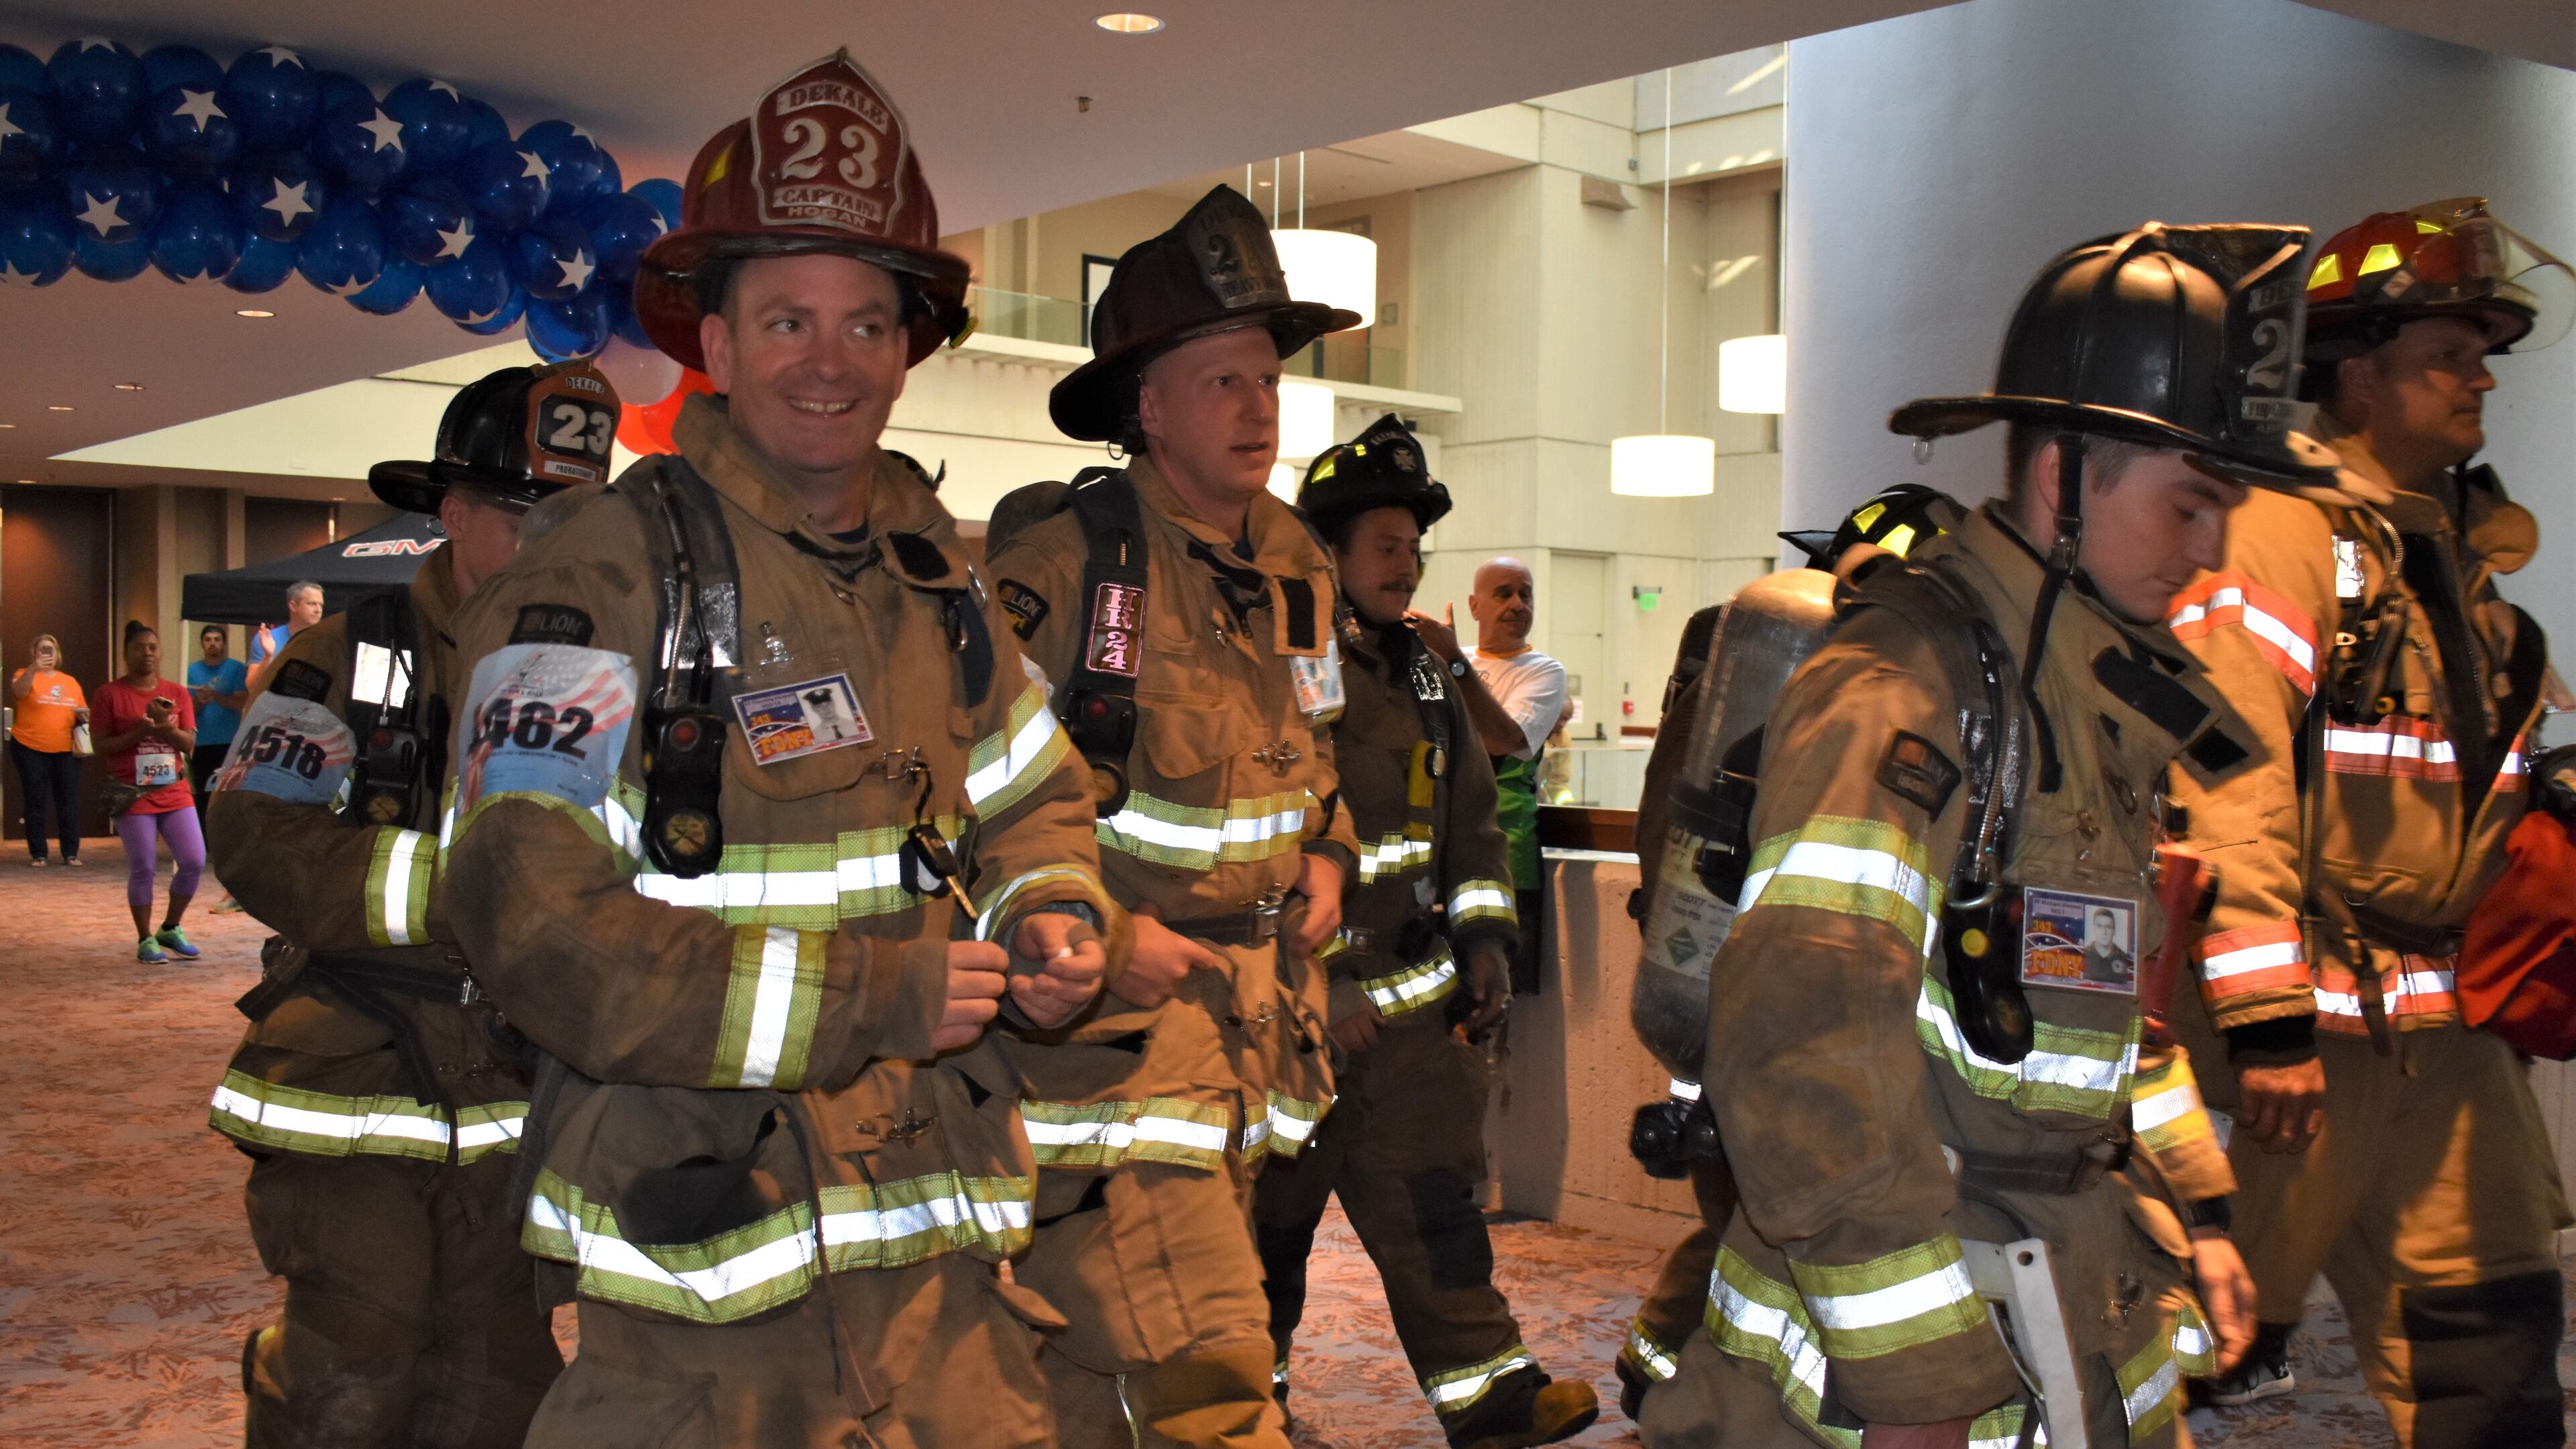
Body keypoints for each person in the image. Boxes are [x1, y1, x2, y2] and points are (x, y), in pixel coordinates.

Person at [436, 54, 1114, 1448]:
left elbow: (1033, 792)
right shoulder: (599, 582)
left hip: (939, 1253)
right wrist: (875, 997)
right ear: (719, 346)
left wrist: (1052, 911)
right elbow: (529, 921)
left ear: (905, 351)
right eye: (789, 319)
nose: (832, 360)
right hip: (707, 1266)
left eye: (867, 324)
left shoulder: (941, 581)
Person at [1639, 221, 2328, 1446]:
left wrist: (2200, 1219)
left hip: (2081, 1289)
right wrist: (1914, 1383)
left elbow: (2102, 1025)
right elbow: (1805, 1048)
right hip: (1899, 1332)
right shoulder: (1904, 688)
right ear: (2067, 478)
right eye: (2189, 505)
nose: (2211, 548)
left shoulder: (2097, 707)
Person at [2168, 198, 2573, 1444]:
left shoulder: (2455, 563)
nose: (2480, 380)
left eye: (2485, 354)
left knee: (2493, 1352)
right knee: (2187, 1351)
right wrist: (2269, 1024)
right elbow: (2222, 785)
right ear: (2357, 375)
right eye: (2447, 355)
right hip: (2305, 1055)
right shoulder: (2278, 535)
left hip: (2451, 1042)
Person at [983, 182, 1362, 1448]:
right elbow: (971, 802)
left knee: (1091, 1386)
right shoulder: (1065, 572)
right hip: (1116, 1046)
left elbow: (1314, 751)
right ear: (1147, 408)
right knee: (1213, 1368)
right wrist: (1092, 917)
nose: (1259, 408)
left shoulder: (1299, 563)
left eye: (1269, 380)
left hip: (1254, 1035)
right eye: (1222, 382)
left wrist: (1330, 850)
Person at [203, 360, 621, 1446]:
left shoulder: (606, 677)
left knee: (497, 1384)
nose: (547, 544)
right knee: (353, 1379)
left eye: (570, 517)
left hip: (521, 1090)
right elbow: (256, 837)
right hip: (358, 1076)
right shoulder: (341, 660)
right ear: (452, 510)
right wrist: (462, 892)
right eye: (521, 513)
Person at [1256, 414, 1599, 1448]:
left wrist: (1489, 945)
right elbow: (1260, 840)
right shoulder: (1278, 665)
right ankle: (1247, 1409)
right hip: (1298, 1024)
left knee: (1437, 1216)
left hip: (1411, 1030)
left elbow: (1473, 825)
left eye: (1414, 549)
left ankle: (1493, 1402)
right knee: (1263, 1236)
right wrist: (1325, 983)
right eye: (1386, 548)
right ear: (1328, 553)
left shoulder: (1423, 672)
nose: (1405, 568)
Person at [1615, 486, 1964, 1426]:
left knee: (1749, 1221)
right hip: (1786, 1008)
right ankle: (1685, 1387)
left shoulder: (1766, 659)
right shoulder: (1859, 686)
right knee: (1774, 1225)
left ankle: (1665, 1370)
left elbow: (1667, 820)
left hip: (1724, 994)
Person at [1411, 561, 1564, 992]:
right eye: (1503, 594)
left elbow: (1505, 738)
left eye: (1526, 594)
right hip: (1439, 852)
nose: (1517, 604)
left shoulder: (1543, 672)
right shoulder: (1440, 664)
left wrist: (1455, 662)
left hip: (1505, 856)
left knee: (1495, 997)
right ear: (1474, 606)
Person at [91, 621, 202, 961]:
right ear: (126, 653)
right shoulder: (109, 694)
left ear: (161, 652)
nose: (147, 654)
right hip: (132, 793)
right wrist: (141, 730)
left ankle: (170, 927)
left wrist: (165, 727)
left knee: (194, 860)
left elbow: (190, 745)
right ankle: (144, 939)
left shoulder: (176, 692)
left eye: (153, 647)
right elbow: (101, 746)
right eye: (139, 648)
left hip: (173, 790)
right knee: (144, 865)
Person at [9, 633, 87, 866]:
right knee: (35, 800)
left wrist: (85, 716)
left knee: (68, 801)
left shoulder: (70, 682)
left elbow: (83, 711)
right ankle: (39, 853)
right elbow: (20, 692)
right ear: (34, 653)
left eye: (51, 650)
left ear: (58, 653)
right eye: (42, 649)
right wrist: (34, 668)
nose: (47, 654)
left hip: (65, 750)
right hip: (30, 747)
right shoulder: (23, 675)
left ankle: (71, 852)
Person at [247, 580, 324, 694]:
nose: (318, 610)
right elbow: (252, 687)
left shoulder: (329, 641)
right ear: (293, 606)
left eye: (321, 605)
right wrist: (268, 657)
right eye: (312, 604)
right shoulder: (268, 639)